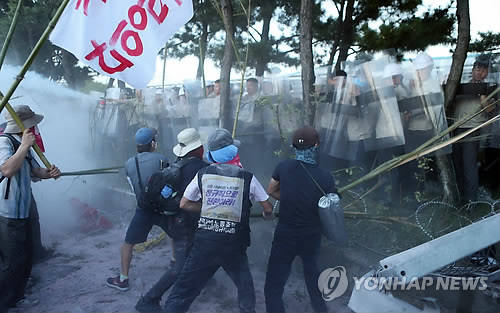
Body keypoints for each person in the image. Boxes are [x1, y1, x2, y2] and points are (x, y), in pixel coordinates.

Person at [163, 128, 273, 313]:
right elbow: (268, 207)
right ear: (233, 151)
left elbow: (184, 204)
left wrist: (207, 208)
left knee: (183, 290)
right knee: (245, 287)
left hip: (206, 243)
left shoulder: (203, 174)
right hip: (233, 245)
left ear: (211, 155)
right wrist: (266, 216)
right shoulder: (247, 177)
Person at [135, 128, 209, 312]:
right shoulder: (200, 169)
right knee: (180, 266)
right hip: (185, 223)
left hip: (175, 221)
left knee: (193, 257)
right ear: (198, 148)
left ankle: (202, 282)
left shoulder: (178, 165)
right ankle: (149, 299)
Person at [265, 126, 336, 313]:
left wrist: (289, 198)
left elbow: (271, 190)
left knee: (274, 282)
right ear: (317, 145)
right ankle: (321, 310)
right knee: (313, 277)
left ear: (294, 146)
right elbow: (332, 205)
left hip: (285, 234)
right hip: (311, 235)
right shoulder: (325, 176)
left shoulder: (283, 167)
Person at [0, 105, 61, 312]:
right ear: (23, 125)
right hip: (8, 213)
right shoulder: (5, 142)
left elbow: (35, 172)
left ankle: (17, 296)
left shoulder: (24, 144)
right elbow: (7, 169)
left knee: (25, 257)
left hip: (23, 210)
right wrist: (24, 146)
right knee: (11, 261)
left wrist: (50, 172)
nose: (35, 128)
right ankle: (5, 302)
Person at [106, 127, 170, 291]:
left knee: (128, 243)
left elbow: (131, 182)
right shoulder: (162, 159)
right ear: (153, 144)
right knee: (177, 235)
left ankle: (123, 279)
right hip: (162, 209)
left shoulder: (129, 163)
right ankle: (175, 266)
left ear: (137, 146)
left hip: (143, 209)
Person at [453, 56, 491, 204]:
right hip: (456, 128)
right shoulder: (462, 86)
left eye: (483, 70)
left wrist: (482, 97)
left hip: (473, 129)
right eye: (477, 69)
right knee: (458, 163)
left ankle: (471, 199)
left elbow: (491, 109)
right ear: (473, 69)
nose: (480, 72)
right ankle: (460, 194)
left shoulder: (488, 88)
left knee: (469, 164)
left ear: (487, 72)